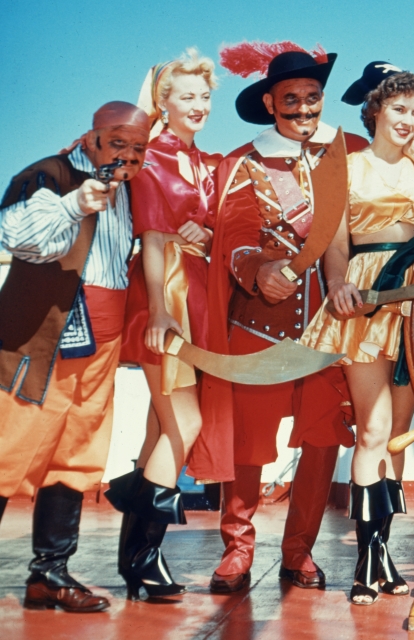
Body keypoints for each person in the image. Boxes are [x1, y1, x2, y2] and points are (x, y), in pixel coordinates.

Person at [206, 42, 365, 594]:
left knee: (323, 442)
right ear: (270, 103)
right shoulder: (242, 162)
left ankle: (299, 552)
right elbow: (235, 237)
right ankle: (238, 550)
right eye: (290, 99)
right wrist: (259, 269)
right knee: (247, 445)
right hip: (257, 325)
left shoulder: (350, 151)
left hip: (328, 329)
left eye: (312, 98)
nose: (303, 108)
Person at [300, 62, 414, 604]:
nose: (409, 120)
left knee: (397, 434)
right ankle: (367, 561)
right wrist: (339, 283)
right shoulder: (345, 165)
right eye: (400, 110)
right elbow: (334, 239)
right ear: (375, 110)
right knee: (371, 432)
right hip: (368, 296)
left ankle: (384, 556)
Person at [0, 102, 151, 613]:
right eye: (117, 143)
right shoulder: (50, 172)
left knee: (79, 455)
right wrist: (73, 204)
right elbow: (16, 237)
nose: (128, 155)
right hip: (47, 335)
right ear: (91, 139)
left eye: (138, 147)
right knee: (8, 448)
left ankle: (49, 574)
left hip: (101, 343)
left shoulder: (133, 188)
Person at [103, 52, 234, 601]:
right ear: (163, 102)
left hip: (199, 293)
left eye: (205, 97)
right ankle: (144, 557)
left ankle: (133, 552)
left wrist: (206, 234)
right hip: (169, 294)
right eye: (187, 96)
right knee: (183, 422)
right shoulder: (153, 155)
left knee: (162, 428)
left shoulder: (202, 159)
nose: (199, 105)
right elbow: (154, 239)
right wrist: (158, 310)